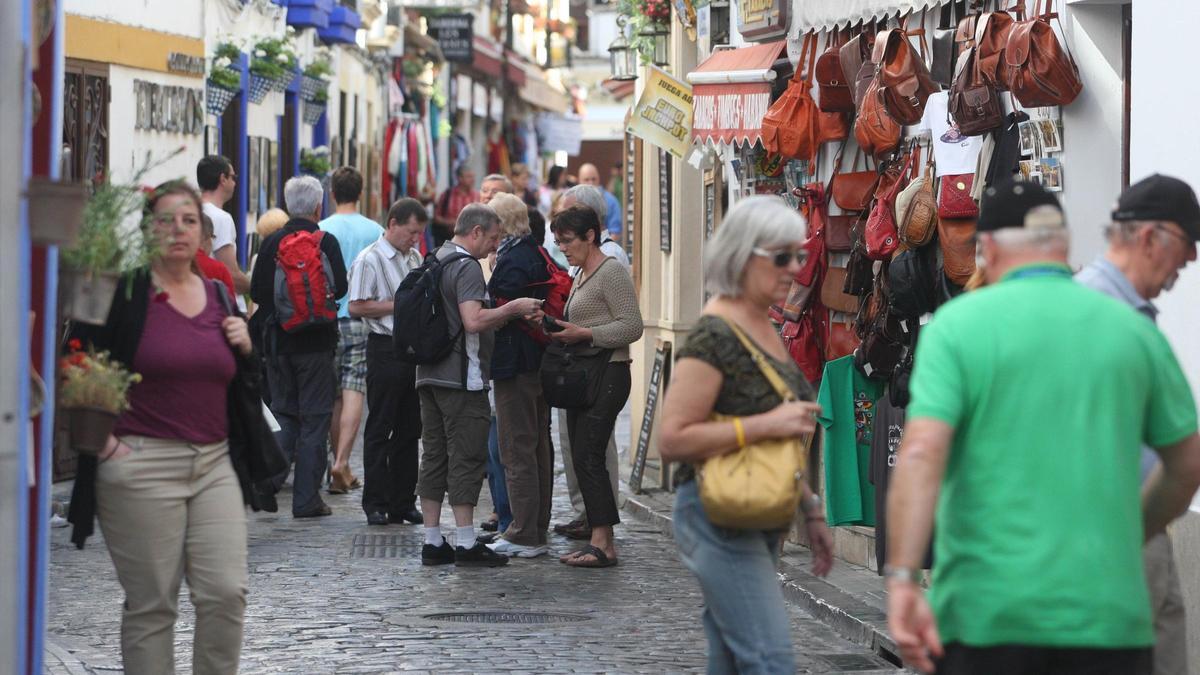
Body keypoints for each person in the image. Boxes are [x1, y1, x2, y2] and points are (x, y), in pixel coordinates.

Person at [885, 181, 1200, 675]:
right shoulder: (1132, 329)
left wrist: (903, 577)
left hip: (985, 618)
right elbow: (1188, 463)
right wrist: (1134, 528)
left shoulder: (956, 327)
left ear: (986, 248)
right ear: (1065, 246)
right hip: (1108, 620)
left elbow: (922, 453)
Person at [69, 181, 254, 674]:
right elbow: (74, 362)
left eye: (189, 221)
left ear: (203, 232)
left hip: (214, 462)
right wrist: (107, 446)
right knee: (153, 605)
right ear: (148, 229)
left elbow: (241, 382)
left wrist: (246, 345)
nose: (178, 230)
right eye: (166, 220)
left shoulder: (219, 294)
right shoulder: (119, 291)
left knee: (225, 593)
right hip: (141, 462)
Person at [658, 195, 833, 672]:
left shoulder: (763, 324)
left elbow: (772, 439)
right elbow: (672, 439)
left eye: (798, 255)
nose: (795, 269)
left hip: (756, 508)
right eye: (781, 257)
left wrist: (810, 508)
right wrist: (765, 424)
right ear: (742, 254)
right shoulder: (714, 335)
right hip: (717, 513)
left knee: (734, 657)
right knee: (769, 658)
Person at [1074, 173, 1200, 675]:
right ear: (1150, 238)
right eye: (1188, 245)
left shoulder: (1106, 307)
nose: (1190, 261)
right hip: (1111, 533)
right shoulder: (1105, 314)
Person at [416, 204, 543, 567]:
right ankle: (467, 542)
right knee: (467, 457)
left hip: (428, 374)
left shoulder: (435, 257)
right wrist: (514, 308)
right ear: (474, 232)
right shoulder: (467, 266)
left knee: (434, 456)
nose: (493, 246)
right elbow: (473, 321)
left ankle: (432, 540)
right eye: (491, 238)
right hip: (461, 378)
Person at [551, 205, 644, 568]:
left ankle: (604, 543)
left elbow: (632, 326)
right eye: (558, 241)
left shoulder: (611, 272)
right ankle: (597, 538)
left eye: (568, 240)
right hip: (587, 374)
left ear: (591, 236)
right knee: (580, 456)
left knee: (589, 455)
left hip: (610, 372)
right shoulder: (581, 273)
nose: (563, 248)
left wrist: (585, 333)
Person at [250, 176, 348, 519]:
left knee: (285, 414)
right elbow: (343, 286)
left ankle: (265, 483)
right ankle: (306, 500)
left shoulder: (272, 242)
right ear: (319, 205)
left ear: (288, 204)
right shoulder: (326, 241)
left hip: (278, 344)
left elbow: (258, 294)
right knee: (315, 419)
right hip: (317, 344)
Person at [348, 198, 428, 526]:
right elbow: (357, 306)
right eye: (411, 232)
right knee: (381, 425)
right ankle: (376, 502)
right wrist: (400, 306)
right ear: (393, 224)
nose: (415, 239)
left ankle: (403, 502)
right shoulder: (370, 259)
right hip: (384, 346)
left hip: (414, 349)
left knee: (411, 429)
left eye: (419, 234)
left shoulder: (415, 258)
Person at [484, 194, 554, 558]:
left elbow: (498, 310)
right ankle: (535, 527)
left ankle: (524, 531)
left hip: (516, 363)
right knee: (537, 444)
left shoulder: (513, 259)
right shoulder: (534, 252)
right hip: (537, 360)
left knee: (516, 447)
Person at [319, 166, 383, 494]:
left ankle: (336, 461)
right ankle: (343, 461)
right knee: (354, 389)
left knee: (333, 395)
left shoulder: (321, 228)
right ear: (360, 193)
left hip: (328, 320)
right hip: (361, 318)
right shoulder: (375, 230)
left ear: (332, 194)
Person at [197, 155, 250, 309]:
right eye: (233, 177)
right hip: (225, 305)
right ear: (223, 179)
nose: (235, 183)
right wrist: (257, 288)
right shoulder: (222, 218)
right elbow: (231, 275)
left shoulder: (192, 211)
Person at [434, 165, 478, 247]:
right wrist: (450, 223)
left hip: (471, 242)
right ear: (459, 178)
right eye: (469, 177)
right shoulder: (447, 195)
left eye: (473, 176)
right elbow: (436, 217)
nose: (472, 180)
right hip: (448, 240)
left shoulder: (477, 196)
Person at [578, 163, 622, 237]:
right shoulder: (573, 200)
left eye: (594, 179)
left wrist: (602, 248)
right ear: (579, 181)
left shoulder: (611, 201)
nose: (591, 183)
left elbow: (615, 232)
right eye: (586, 180)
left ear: (599, 178)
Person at [197, 214, 236, 297]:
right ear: (205, 237)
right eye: (213, 237)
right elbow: (230, 305)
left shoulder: (169, 264)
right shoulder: (219, 269)